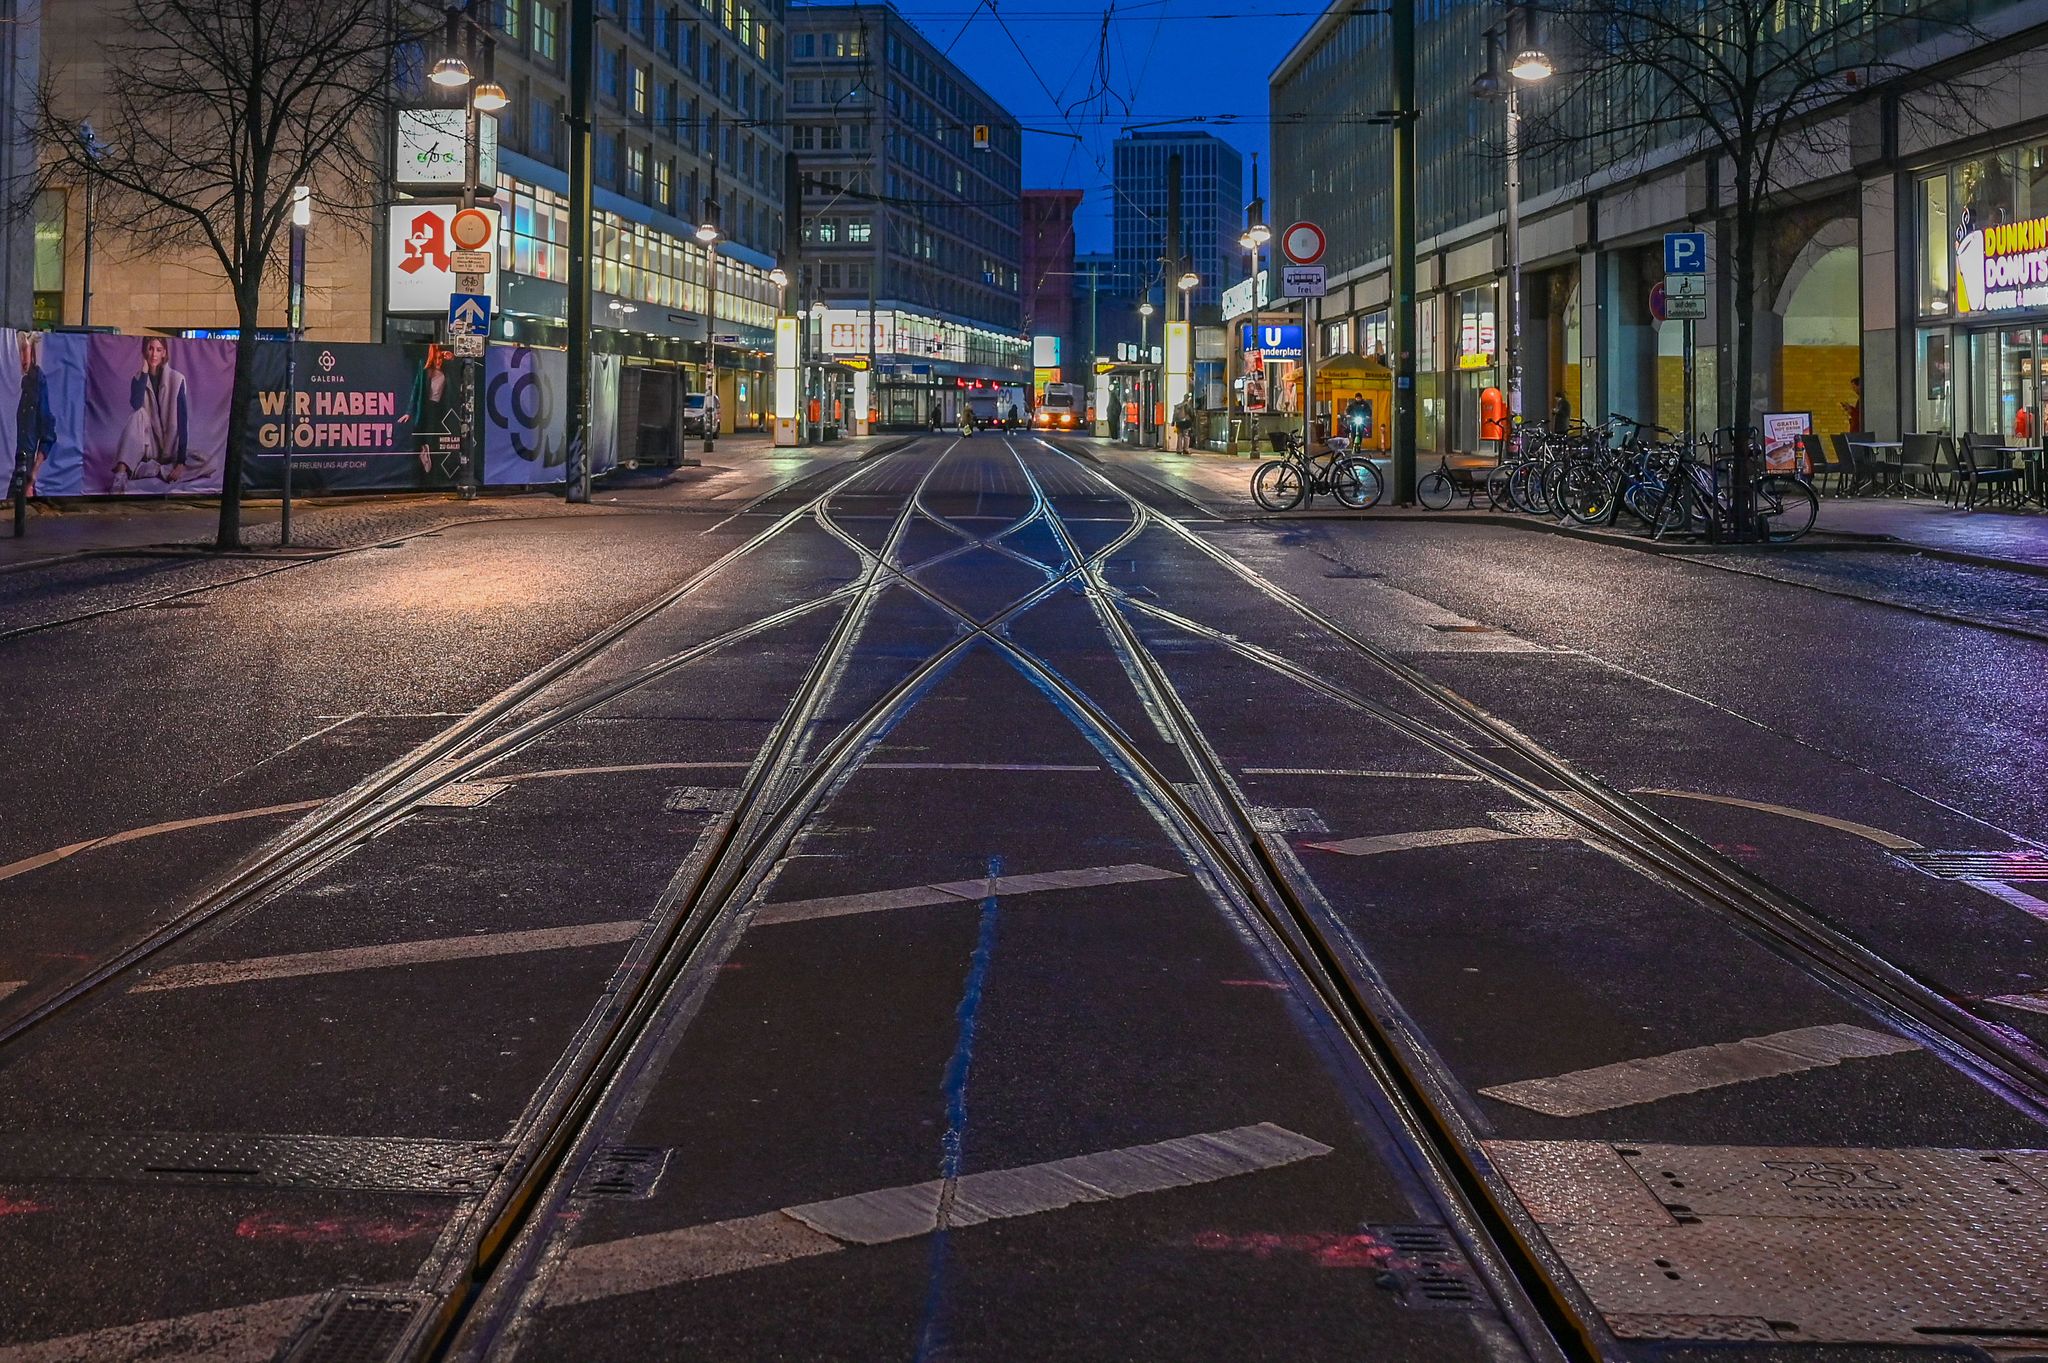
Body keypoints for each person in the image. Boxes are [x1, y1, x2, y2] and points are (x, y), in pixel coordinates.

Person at [111, 336, 193, 493]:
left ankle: (147, 469)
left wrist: (181, 461)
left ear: (164, 353)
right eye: (150, 348)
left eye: (158, 350)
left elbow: (182, 421)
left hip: (170, 446)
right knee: (138, 414)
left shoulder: (177, 379)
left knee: (205, 462)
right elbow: (135, 404)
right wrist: (144, 372)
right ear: (144, 351)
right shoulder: (138, 378)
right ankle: (121, 473)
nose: (154, 354)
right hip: (150, 445)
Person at [12, 332, 55, 498]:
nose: (24, 357)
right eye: (20, 350)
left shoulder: (36, 381)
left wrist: (33, 475)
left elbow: (48, 432)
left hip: (23, 464)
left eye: (26, 350)